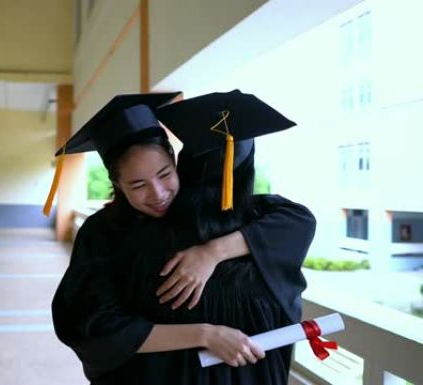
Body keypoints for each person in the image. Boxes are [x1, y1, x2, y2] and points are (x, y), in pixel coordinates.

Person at [50, 92, 315, 384]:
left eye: (164, 174)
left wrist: (212, 252)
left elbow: (298, 220)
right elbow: (95, 324)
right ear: (117, 183)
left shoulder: (235, 216)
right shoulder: (103, 231)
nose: (158, 194)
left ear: (177, 162)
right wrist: (205, 333)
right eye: (138, 185)